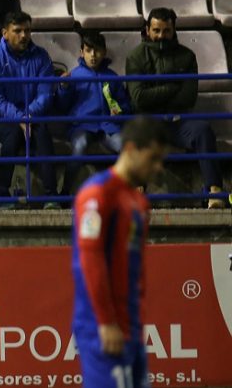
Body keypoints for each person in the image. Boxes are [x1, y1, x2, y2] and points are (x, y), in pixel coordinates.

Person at [72, 116, 169, 388]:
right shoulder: (96, 195)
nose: (158, 167)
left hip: (131, 325)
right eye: (153, 158)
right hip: (101, 326)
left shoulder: (138, 201)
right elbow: (88, 261)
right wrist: (105, 321)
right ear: (129, 150)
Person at [126, 8, 226, 209]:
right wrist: (172, 86)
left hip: (178, 121)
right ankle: (137, 193)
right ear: (148, 30)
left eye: (166, 31)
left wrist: (156, 91)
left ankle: (215, 192)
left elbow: (188, 97)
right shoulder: (135, 57)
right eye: (156, 30)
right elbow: (138, 99)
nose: (161, 35)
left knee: (203, 130)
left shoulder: (187, 57)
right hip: (149, 121)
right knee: (135, 131)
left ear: (173, 30)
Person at [0, 11, 58, 209]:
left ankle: (51, 195)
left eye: (27, 31)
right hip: (1, 118)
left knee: (42, 134)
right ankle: (1, 194)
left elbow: (45, 93)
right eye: (17, 31)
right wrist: (18, 117)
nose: (24, 35)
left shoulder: (41, 56)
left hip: (32, 115)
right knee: (11, 133)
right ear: (5, 33)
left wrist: (27, 116)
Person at [57, 32, 132, 195]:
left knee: (126, 148)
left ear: (104, 52)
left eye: (97, 51)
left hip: (109, 126)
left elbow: (124, 104)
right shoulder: (74, 76)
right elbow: (62, 107)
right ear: (81, 52)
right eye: (89, 50)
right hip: (82, 126)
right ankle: (65, 192)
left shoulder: (113, 77)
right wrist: (63, 88)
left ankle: (129, 193)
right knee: (80, 145)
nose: (93, 55)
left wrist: (120, 112)